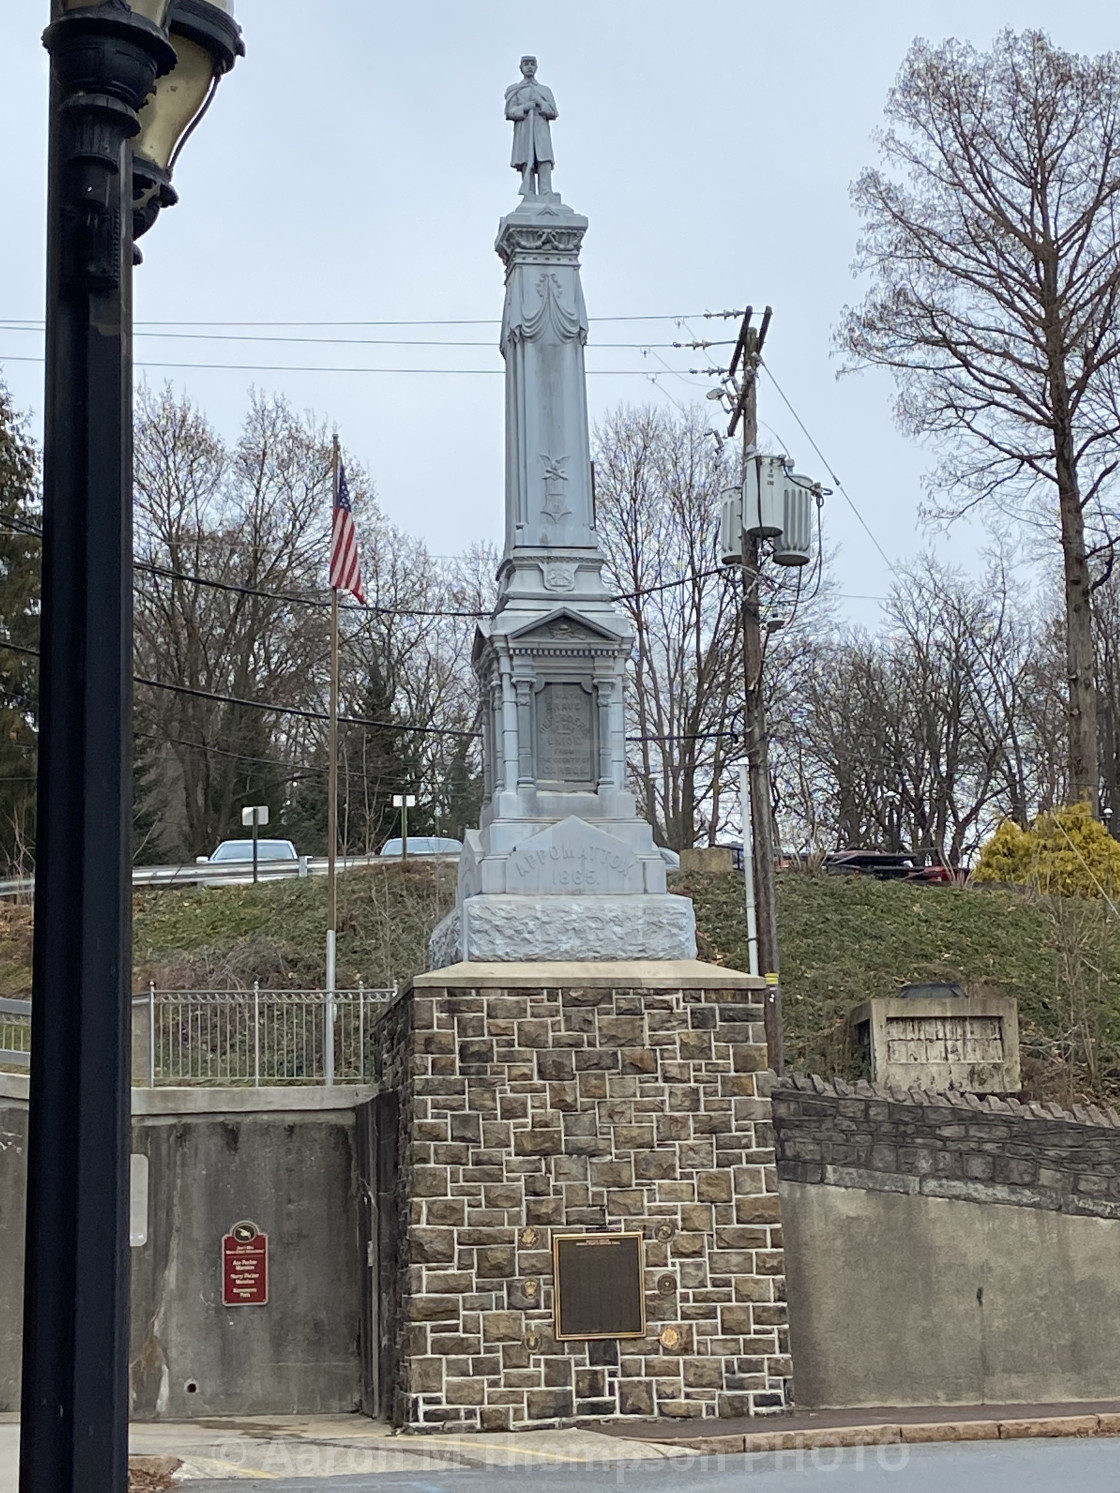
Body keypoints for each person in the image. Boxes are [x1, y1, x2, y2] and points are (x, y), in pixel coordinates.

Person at [505, 56, 557, 197]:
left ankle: (546, 190)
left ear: (536, 68)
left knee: (544, 158)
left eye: (532, 64)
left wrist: (540, 102)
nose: (529, 67)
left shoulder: (544, 90)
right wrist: (525, 107)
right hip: (524, 128)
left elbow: (552, 112)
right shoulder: (515, 90)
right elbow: (510, 112)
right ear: (521, 68)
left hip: (540, 127)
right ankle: (529, 191)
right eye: (526, 64)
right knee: (526, 160)